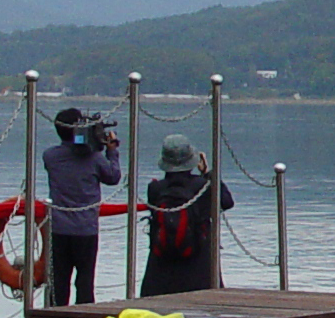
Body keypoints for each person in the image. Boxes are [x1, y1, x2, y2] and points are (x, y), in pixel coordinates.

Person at [41, 106, 122, 306]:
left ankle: (55, 315)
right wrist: (111, 151)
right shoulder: (95, 159)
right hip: (86, 229)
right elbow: (113, 177)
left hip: (58, 228)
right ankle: (84, 316)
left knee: (59, 280)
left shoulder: (50, 156)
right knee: (85, 281)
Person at [141, 135, 232, 297]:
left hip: (160, 269)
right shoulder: (203, 186)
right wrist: (208, 173)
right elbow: (227, 202)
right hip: (199, 267)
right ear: (192, 160)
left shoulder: (155, 189)